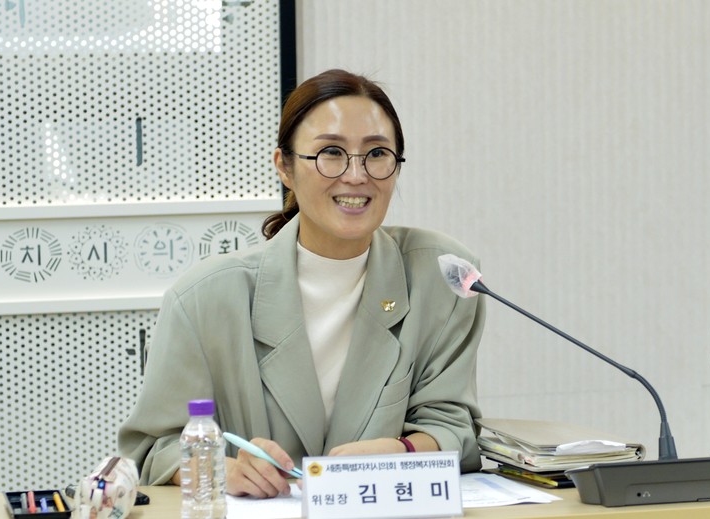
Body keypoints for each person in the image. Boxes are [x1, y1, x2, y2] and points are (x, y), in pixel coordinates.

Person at [118, 68, 486, 498]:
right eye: (331, 152)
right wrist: (221, 468)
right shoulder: (204, 298)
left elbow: (453, 429)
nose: (356, 175)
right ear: (285, 167)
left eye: (376, 153)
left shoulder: (442, 279)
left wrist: (400, 451)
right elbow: (153, 449)